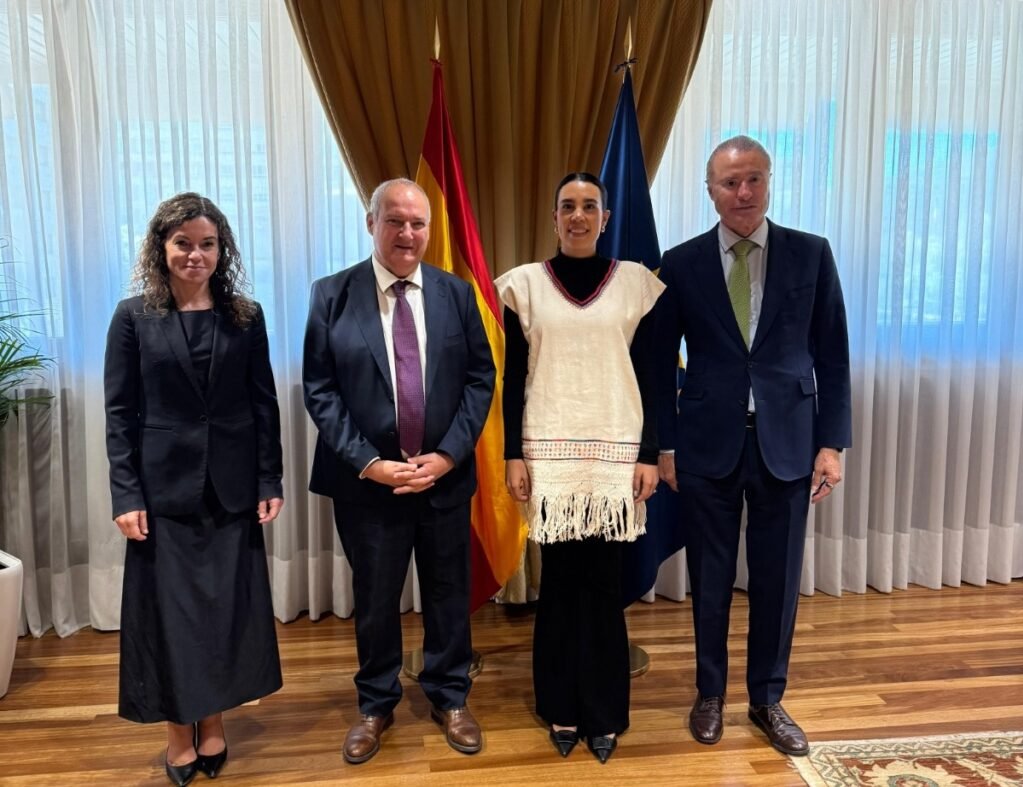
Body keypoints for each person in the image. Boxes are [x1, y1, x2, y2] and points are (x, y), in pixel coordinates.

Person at [656, 135, 852, 756]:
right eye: (729, 182)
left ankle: (768, 700)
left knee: (777, 580)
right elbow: (658, 365)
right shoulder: (680, 263)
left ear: (769, 182)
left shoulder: (811, 254)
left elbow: (833, 354)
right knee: (710, 579)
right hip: (705, 446)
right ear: (710, 191)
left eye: (753, 180)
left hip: (788, 445)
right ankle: (710, 693)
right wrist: (664, 447)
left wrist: (832, 444)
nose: (743, 193)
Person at [302, 178, 495, 764]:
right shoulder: (331, 294)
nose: (407, 233)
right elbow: (320, 389)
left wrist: (449, 455)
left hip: (442, 479)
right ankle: (375, 703)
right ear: (371, 223)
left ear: (429, 229)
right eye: (395, 221)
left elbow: (480, 379)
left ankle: (450, 697)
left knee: (447, 593)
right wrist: (370, 463)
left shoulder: (457, 294)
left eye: (417, 223)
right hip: (367, 485)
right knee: (376, 598)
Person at [104, 192, 284, 786]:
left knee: (224, 613)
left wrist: (269, 478)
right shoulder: (132, 317)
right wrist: (126, 494)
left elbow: (263, 403)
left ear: (221, 250)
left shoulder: (246, 315)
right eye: (183, 243)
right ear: (161, 247)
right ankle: (178, 731)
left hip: (232, 490)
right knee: (172, 618)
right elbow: (120, 413)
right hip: (162, 495)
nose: (195, 255)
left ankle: (214, 721)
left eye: (207, 244)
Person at [495, 172, 664, 764]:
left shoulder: (636, 285)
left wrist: (649, 454)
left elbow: (654, 375)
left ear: (605, 218)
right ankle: (560, 707)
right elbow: (514, 376)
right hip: (549, 458)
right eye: (567, 206)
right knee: (560, 586)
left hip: (617, 457)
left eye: (590, 206)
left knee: (604, 586)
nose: (578, 216)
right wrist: (512, 453)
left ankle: (604, 711)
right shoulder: (524, 286)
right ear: (554, 217)